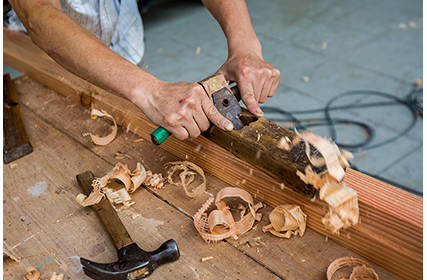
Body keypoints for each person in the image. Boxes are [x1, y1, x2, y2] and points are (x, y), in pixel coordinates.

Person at [8, 0, 280, 141]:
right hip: (47, 58)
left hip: (123, 42)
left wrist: (245, 44)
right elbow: (38, 13)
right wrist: (149, 91)